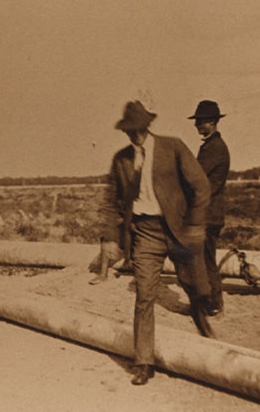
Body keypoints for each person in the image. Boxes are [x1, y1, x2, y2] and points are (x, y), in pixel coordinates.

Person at [91, 100, 214, 386]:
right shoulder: (120, 160)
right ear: (124, 131)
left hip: (179, 229)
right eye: (129, 130)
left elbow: (200, 186)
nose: (134, 135)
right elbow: (110, 202)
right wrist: (110, 237)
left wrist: (195, 223)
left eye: (138, 129)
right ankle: (144, 362)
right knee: (144, 295)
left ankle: (200, 314)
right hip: (144, 233)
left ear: (147, 126)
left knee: (193, 284)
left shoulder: (173, 147)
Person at [188, 100, 231, 316]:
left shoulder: (214, 148)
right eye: (197, 122)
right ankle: (209, 302)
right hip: (208, 213)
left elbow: (196, 178)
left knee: (206, 260)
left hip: (208, 214)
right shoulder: (211, 146)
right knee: (203, 259)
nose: (198, 126)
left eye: (201, 122)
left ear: (213, 122)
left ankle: (214, 304)